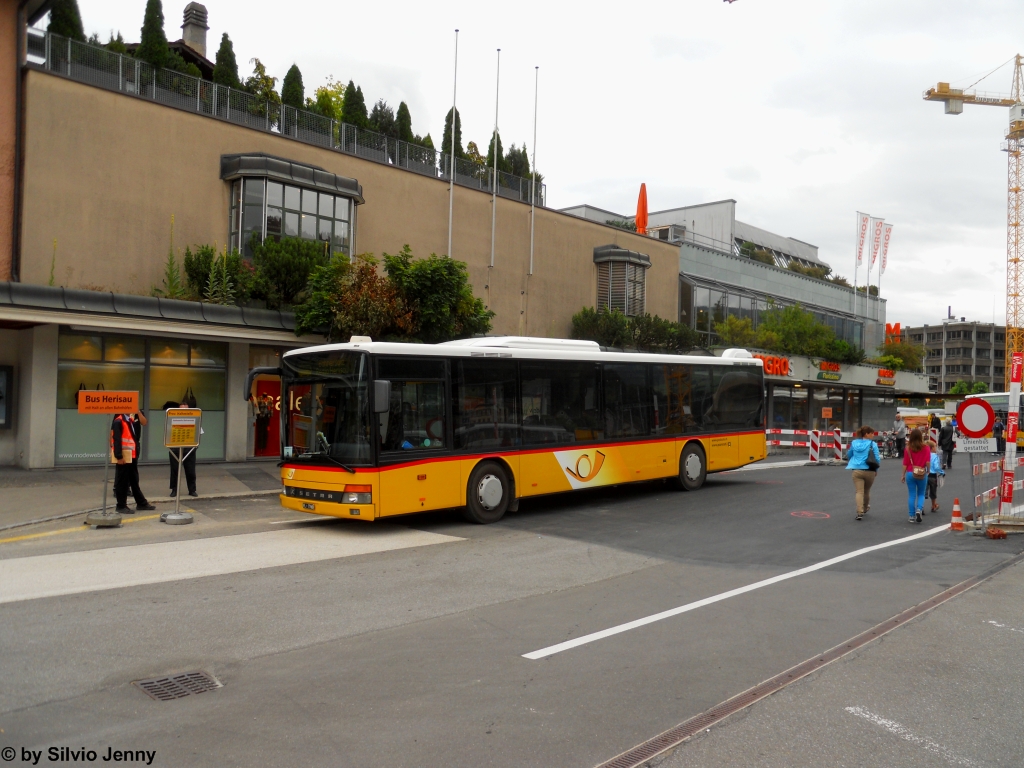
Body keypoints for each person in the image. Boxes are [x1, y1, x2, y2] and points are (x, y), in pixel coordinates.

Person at [111, 410, 156, 513]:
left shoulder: (130, 420)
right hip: (124, 456)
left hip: (132, 455)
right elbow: (116, 439)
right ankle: (121, 505)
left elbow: (141, 425)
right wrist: (119, 456)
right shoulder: (119, 420)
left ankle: (141, 503)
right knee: (122, 481)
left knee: (134, 480)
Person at [164, 400, 198, 498]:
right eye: (182, 409)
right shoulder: (172, 419)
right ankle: (174, 490)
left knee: (190, 469)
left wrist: (195, 446)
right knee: (175, 470)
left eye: (185, 409)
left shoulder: (194, 419)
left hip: (189, 447)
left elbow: (198, 432)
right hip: (175, 447)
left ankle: (192, 490)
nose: (184, 411)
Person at [846, 425, 880, 521]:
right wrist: (876, 470)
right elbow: (877, 458)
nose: (873, 435)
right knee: (867, 491)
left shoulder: (854, 442)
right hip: (869, 470)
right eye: (871, 433)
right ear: (866, 434)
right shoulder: (873, 444)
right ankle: (865, 508)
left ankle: (859, 511)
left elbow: (849, 454)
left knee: (859, 491)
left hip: (857, 470)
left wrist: (853, 460)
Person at [902, 428, 931, 523]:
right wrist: (928, 471)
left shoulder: (908, 448)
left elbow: (905, 463)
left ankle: (911, 516)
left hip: (910, 472)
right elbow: (927, 462)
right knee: (921, 493)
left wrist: (903, 475)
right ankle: (919, 509)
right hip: (922, 473)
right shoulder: (926, 448)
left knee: (912, 495)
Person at [926, 439, 945, 513]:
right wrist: (942, 472)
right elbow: (936, 467)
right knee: (933, 492)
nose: (936, 449)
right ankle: (933, 505)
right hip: (932, 476)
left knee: (923, 492)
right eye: (935, 447)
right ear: (932, 448)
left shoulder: (925, 455)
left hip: (925, 475)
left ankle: (921, 507)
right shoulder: (935, 456)